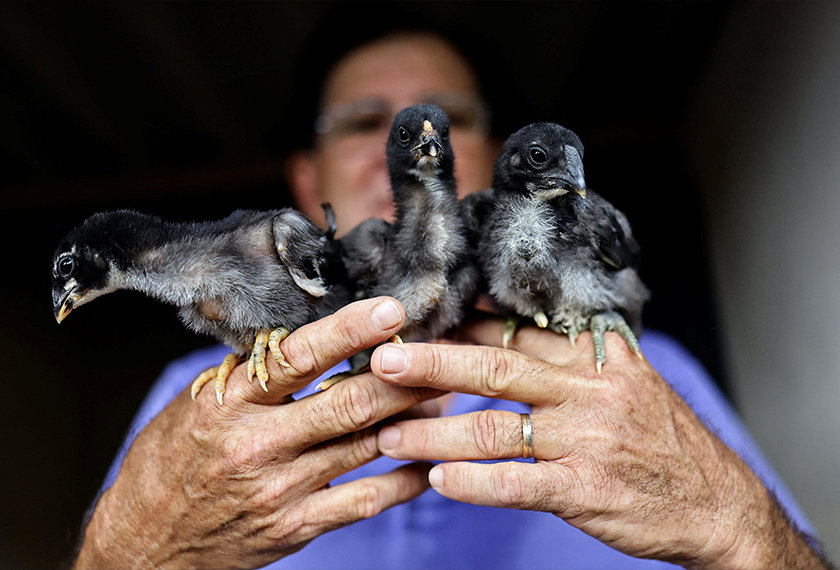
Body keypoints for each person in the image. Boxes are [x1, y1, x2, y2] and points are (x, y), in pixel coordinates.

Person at [71, 24, 831, 570]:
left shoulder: (640, 372)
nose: (399, 148)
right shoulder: (197, 401)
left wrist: (741, 531)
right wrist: (130, 552)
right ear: (308, 180)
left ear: (494, 156)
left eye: (443, 119)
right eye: (366, 123)